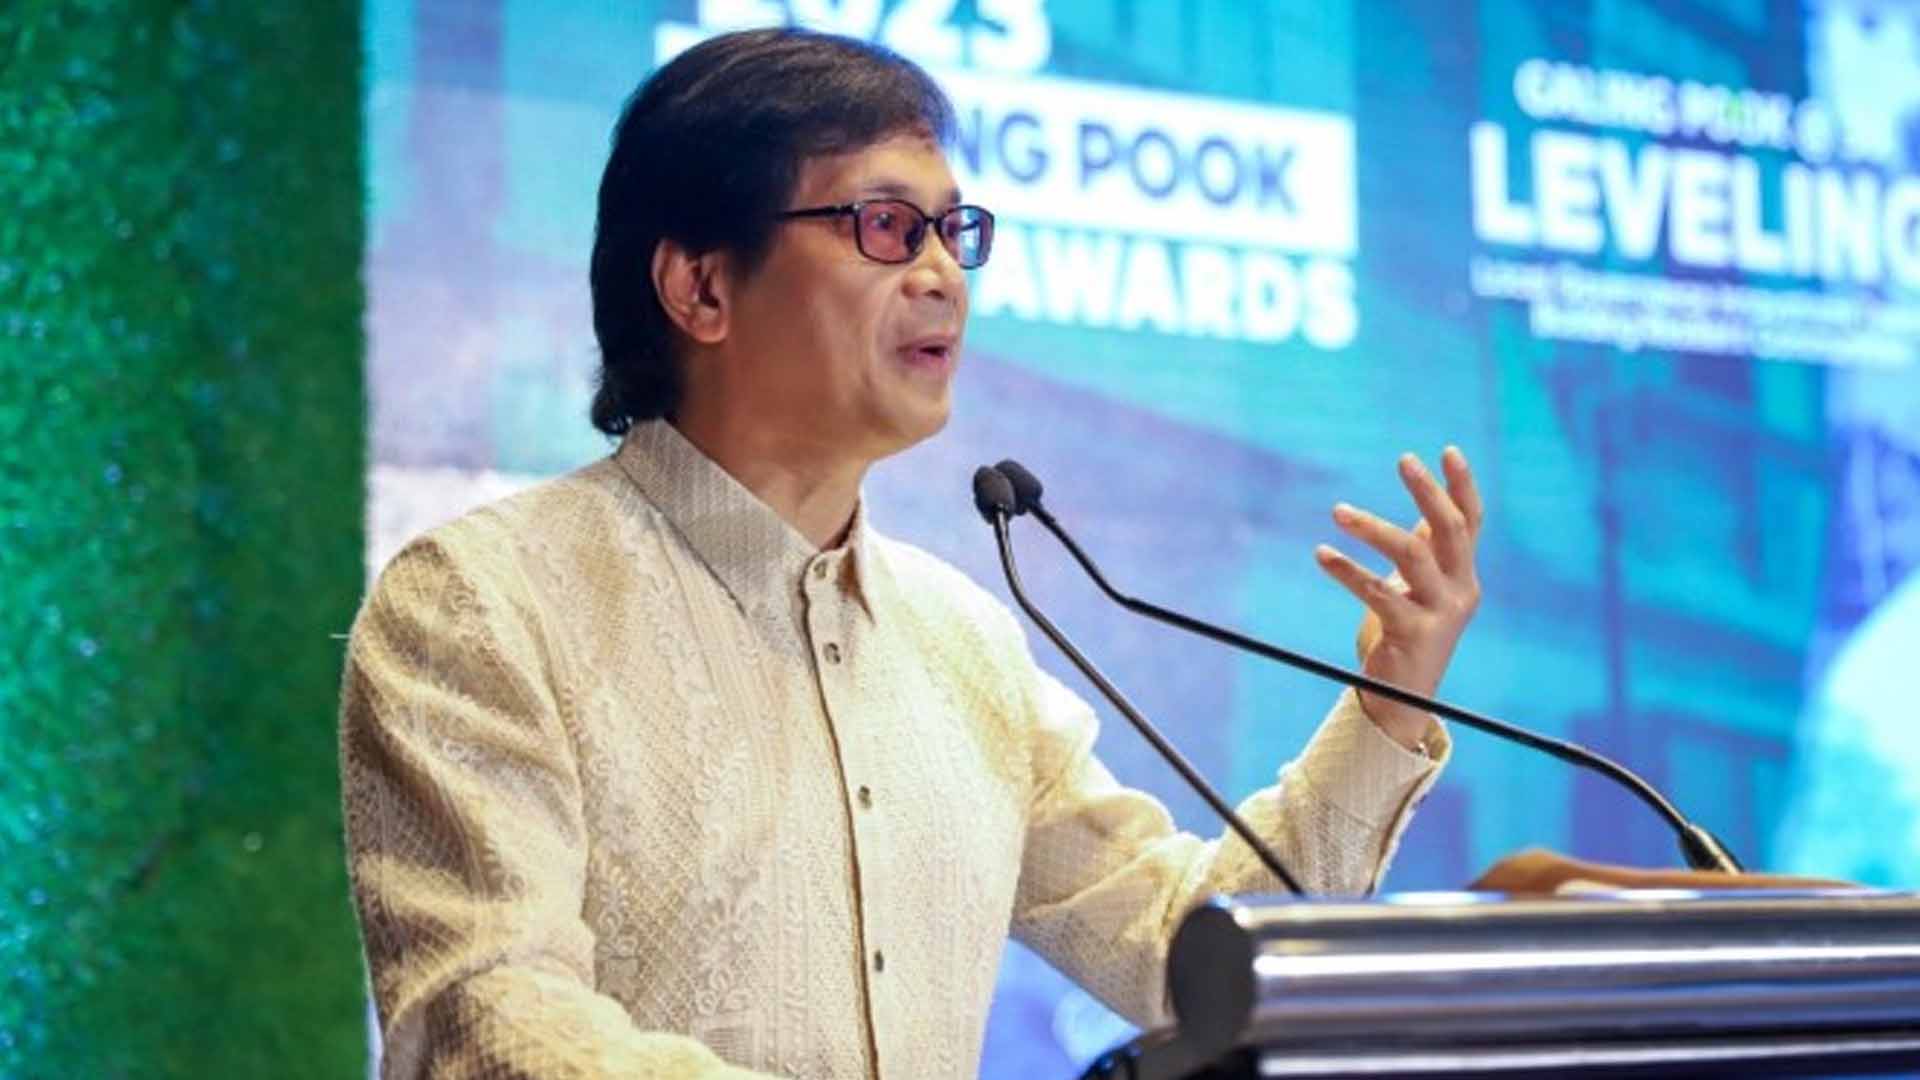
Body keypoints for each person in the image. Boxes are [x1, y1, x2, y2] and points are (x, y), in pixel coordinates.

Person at [339, 27, 1484, 1079]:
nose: (941, 274)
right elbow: (488, 1023)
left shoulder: (961, 642)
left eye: (952, 230)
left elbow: (1182, 953)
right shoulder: (484, 605)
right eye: (885, 227)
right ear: (701, 286)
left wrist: (1388, 703)